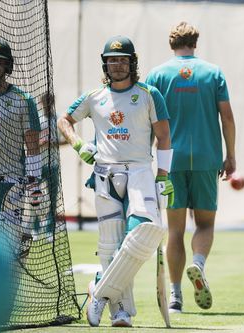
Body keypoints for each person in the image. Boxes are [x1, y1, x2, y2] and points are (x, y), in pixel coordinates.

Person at [57, 35, 174, 327]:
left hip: (139, 171)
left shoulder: (149, 94)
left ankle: (99, 288)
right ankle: (120, 310)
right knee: (110, 245)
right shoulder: (95, 96)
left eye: (123, 60)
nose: (117, 65)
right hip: (105, 173)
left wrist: (163, 176)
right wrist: (78, 144)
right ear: (105, 64)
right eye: (112, 60)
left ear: (132, 63)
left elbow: (164, 138)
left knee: (143, 233)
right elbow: (65, 121)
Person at [146, 22, 236, 314]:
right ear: (195, 42)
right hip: (208, 157)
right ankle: (198, 264)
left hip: (170, 160)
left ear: (171, 43)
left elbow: (149, 119)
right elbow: (227, 118)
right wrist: (231, 154)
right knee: (205, 224)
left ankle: (175, 297)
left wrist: (146, 156)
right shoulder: (213, 72)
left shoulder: (158, 74)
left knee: (174, 230)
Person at [0, 37, 42, 258]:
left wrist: (34, 182)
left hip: (12, 182)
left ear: (8, 65)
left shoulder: (23, 100)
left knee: (8, 247)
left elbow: (33, 147)